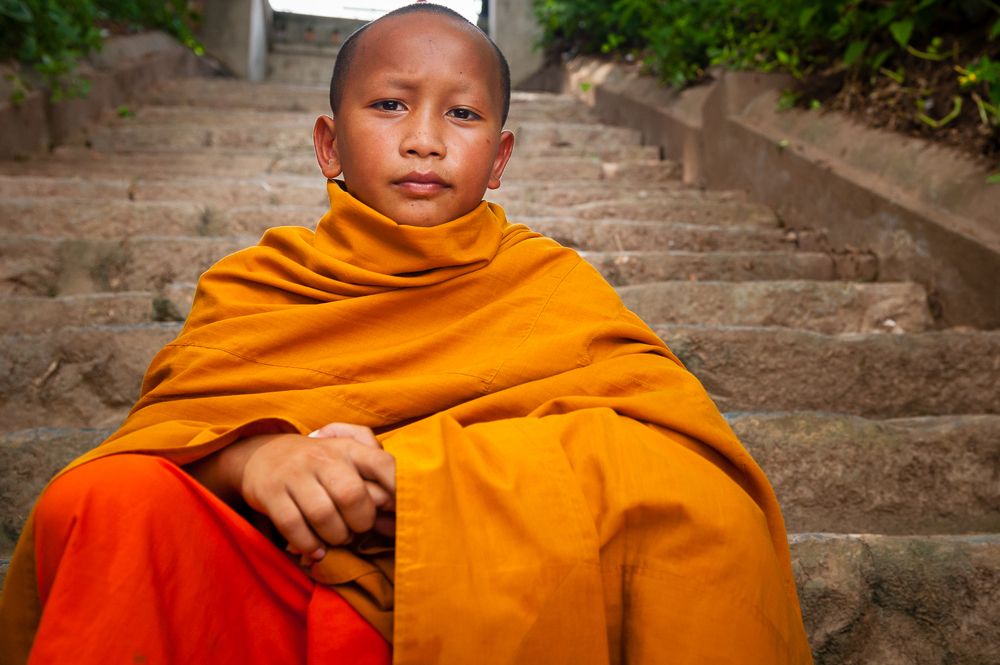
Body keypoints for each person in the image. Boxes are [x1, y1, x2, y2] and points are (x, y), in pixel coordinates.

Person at [0, 4, 812, 663]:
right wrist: (257, 458)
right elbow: (168, 432)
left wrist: (422, 484)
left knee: (706, 515)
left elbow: (677, 460)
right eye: (390, 104)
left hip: (478, 600)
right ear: (329, 144)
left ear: (499, 158)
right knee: (99, 499)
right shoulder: (259, 282)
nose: (425, 138)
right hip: (266, 593)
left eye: (462, 113)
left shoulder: (549, 284)